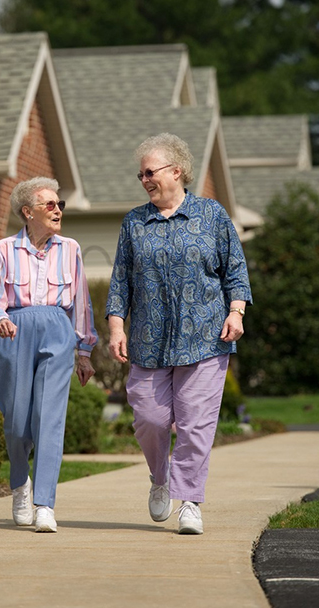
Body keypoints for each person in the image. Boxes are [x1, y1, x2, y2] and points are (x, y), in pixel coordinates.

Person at [106, 133, 252, 535]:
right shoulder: (135, 222)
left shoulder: (212, 215)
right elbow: (120, 281)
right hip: (148, 341)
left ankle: (190, 501)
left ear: (177, 171)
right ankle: (160, 479)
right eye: (140, 175)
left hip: (205, 336)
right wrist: (117, 326)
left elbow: (235, 270)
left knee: (195, 423)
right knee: (150, 418)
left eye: (150, 172)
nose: (145, 180)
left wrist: (236, 312)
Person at [0, 177, 98, 533]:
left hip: (57, 331)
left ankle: (45, 503)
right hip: (14, 331)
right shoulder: (4, 250)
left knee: (49, 418)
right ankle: (21, 484)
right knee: (16, 421)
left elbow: (81, 303)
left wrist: (85, 350)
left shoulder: (71, 248)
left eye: (59, 204)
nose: (58, 209)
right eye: (50, 205)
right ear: (27, 212)